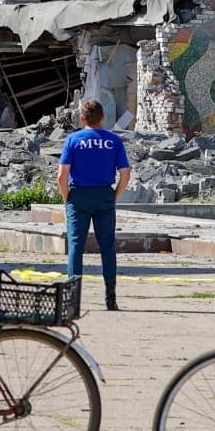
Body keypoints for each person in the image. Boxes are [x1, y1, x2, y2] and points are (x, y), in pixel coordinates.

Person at [57, 99, 132, 311]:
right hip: (104, 195)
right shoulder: (114, 141)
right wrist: (114, 197)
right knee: (107, 247)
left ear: (82, 118)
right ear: (103, 117)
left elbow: (62, 175)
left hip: (78, 196)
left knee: (75, 246)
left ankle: (72, 301)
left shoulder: (73, 140)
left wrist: (67, 198)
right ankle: (110, 297)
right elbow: (125, 175)